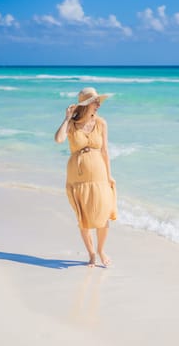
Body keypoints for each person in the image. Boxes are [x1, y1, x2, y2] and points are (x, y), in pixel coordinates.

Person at [55, 87, 117, 267]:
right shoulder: (72, 125)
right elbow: (59, 139)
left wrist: (109, 175)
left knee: (103, 214)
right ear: (86, 104)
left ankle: (101, 250)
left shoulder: (101, 123)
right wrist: (67, 118)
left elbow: (105, 151)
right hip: (78, 177)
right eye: (95, 102)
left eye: (98, 101)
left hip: (99, 175)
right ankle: (91, 254)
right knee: (83, 218)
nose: (98, 105)